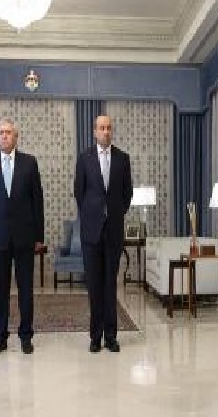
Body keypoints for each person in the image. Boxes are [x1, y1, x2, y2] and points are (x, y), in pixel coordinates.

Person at [0, 119, 44, 355]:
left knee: (26, 289)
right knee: (0, 291)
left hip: (25, 236)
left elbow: (38, 201)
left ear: (16, 136)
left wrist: (39, 236)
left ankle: (26, 336)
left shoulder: (30, 163)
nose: (4, 136)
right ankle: (0, 337)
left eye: (8, 132)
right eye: (1, 133)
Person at [73, 115, 133, 353]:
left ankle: (111, 336)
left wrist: (115, 214)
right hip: (91, 233)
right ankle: (95, 336)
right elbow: (79, 192)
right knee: (94, 286)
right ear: (94, 131)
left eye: (108, 128)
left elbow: (127, 193)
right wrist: (93, 215)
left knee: (110, 285)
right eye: (101, 128)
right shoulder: (84, 158)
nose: (105, 131)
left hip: (113, 232)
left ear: (112, 131)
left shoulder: (122, 159)